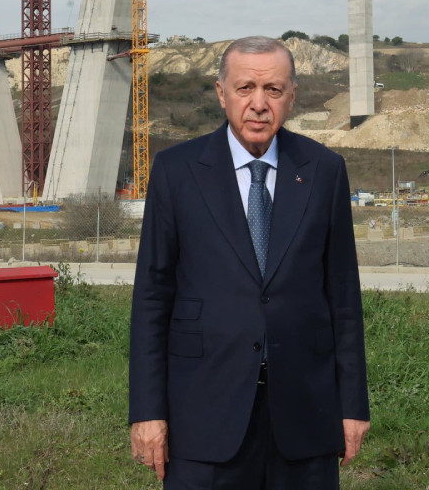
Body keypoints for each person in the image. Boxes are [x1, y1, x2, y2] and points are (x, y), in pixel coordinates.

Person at [129, 36, 370, 489]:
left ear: (292, 96)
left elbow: (343, 296)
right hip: (202, 415)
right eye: (245, 89)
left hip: (305, 412)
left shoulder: (324, 169)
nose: (259, 104)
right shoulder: (176, 171)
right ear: (222, 93)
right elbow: (151, 298)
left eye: (273, 90)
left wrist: (352, 404)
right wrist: (147, 412)